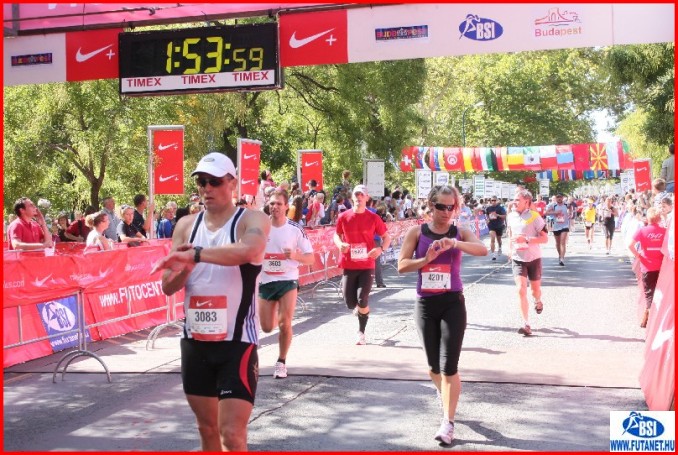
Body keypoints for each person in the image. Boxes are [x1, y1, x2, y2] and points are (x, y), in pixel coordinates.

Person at [151, 152, 271, 452]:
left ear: (232, 183)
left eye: (214, 182)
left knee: (231, 434)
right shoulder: (185, 225)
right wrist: (184, 269)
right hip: (196, 342)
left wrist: (196, 254)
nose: (206, 188)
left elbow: (248, 250)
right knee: (207, 429)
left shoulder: (251, 219)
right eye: (202, 182)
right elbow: (168, 286)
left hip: (237, 343)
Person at [397, 185, 487, 445]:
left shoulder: (460, 232)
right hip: (426, 304)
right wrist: (426, 259)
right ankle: (445, 393)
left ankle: (448, 422)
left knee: (449, 367)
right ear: (431, 205)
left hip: (452, 303)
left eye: (451, 207)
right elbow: (402, 265)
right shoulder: (417, 232)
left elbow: (482, 250)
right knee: (433, 367)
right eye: (441, 207)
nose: (446, 212)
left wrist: (454, 243)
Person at [258, 189, 314, 379]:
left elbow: (311, 258)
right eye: (272, 203)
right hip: (266, 281)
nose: (274, 207)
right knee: (267, 327)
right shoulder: (261, 227)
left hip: (288, 280)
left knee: (285, 323)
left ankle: (281, 362)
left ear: (286, 206)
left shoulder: (295, 229)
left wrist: (295, 255)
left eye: (278, 204)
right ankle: (275, 313)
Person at [333, 184, 391, 345]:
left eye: (362, 195)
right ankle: (359, 309)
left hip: (367, 265)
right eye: (356, 195)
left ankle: (361, 332)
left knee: (362, 299)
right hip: (349, 264)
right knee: (350, 303)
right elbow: (336, 235)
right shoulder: (343, 216)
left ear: (367, 198)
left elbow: (387, 238)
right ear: (352, 198)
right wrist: (340, 244)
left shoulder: (373, 217)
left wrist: (380, 249)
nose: (359, 197)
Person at [506, 189, 549, 336]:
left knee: (534, 290)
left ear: (526, 202)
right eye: (514, 199)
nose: (514, 202)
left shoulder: (535, 217)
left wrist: (527, 239)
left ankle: (537, 300)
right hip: (518, 258)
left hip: (533, 258)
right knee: (520, 290)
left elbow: (545, 239)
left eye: (518, 200)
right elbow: (510, 234)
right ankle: (526, 323)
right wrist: (510, 248)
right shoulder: (511, 216)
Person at [628, 208, 666, 328]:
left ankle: (650, 319)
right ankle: (654, 318)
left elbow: (630, 245)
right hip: (661, 267)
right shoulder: (664, 231)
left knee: (649, 293)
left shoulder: (642, 230)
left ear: (648, 218)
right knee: (660, 293)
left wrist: (639, 256)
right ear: (659, 218)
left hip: (647, 266)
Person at [545, 193, 569, 266]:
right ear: (556, 198)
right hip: (556, 226)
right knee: (558, 243)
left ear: (562, 198)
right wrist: (555, 212)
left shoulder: (566, 205)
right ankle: (560, 255)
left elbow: (571, 210)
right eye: (558, 197)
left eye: (560, 197)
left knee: (562, 242)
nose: (559, 198)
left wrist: (570, 213)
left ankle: (562, 258)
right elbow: (546, 213)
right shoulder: (553, 205)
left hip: (565, 225)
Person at [485, 196, 507, 260]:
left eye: (494, 200)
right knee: (492, 239)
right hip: (491, 225)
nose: (493, 201)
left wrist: (498, 215)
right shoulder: (488, 208)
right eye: (492, 200)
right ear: (490, 201)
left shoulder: (500, 208)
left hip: (499, 225)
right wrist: (487, 220)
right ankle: (493, 254)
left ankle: (499, 247)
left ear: (497, 201)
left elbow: (504, 216)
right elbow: (487, 215)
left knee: (499, 240)